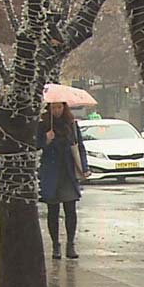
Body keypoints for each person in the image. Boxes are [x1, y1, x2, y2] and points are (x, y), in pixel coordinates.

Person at [38, 101, 88, 259]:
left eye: (60, 107)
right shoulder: (43, 125)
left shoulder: (71, 124)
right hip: (51, 173)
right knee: (53, 211)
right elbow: (35, 146)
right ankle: (55, 245)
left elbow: (79, 147)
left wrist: (84, 167)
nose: (57, 110)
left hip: (68, 172)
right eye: (54, 107)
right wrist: (46, 140)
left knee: (70, 209)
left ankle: (70, 244)